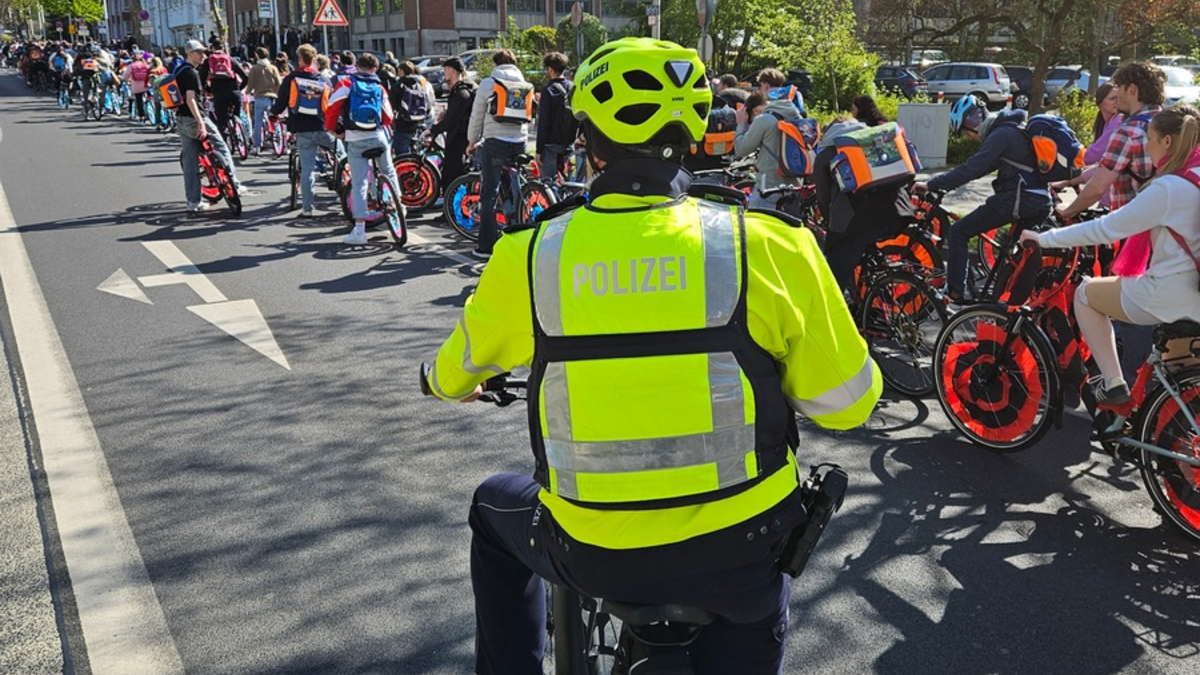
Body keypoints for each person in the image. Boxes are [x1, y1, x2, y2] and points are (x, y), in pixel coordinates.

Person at [423, 36, 881, 675]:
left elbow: (450, 376)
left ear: (586, 139)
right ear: (695, 134)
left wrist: (445, 382)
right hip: (743, 554)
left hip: (589, 548)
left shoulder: (528, 257)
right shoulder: (770, 247)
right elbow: (849, 404)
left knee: (490, 509)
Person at [1019, 105, 1200, 407]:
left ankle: (1114, 383)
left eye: (1150, 139)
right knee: (1182, 387)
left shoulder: (1169, 188)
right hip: (1195, 296)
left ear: (1167, 142)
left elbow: (1106, 229)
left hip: (1169, 293)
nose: (1147, 147)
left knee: (1087, 294)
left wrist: (1043, 239)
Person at [912, 95, 1052, 306]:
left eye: (965, 134)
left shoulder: (1000, 135)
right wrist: (945, 184)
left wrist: (931, 185)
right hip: (1038, 199)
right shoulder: (1010, 130)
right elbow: (979, 170)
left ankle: (955, 294)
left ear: (971, 126)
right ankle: (1006, 296)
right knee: (1013, 250)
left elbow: (972, 168)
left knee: (959, 231)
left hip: (1020, 198)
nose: (969, 139)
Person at [815, 116, 917, 294]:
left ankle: (837, 315)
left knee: (833, 280)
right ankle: (868, 304)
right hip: (898, 213)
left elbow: (823, 198)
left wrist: (830, 223)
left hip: (855, 222)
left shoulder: (827, 153)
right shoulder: (875, 142)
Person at [1057, 62, 1166, 221]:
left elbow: (1097, 187)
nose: (1117, 96)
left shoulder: (1128, 132)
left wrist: (1068, 211)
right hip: (1169, 222)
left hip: (1133, 225)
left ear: (1131, 89)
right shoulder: (1171, 124)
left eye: (1119, 88)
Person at [325, 52, 402, 245]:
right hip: (378, 137)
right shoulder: (379, 87)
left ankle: (359, 231)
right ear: (375, 69)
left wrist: (335, 131)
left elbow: (331, 108)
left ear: (358, 66)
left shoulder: (346, 84)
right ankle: (398, 207)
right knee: (388, 171)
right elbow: (388, 117)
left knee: (359, 183)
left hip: (355, 139)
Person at [466, 49, 531, 260]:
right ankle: (520, 240)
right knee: (515, 191)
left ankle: (486, 247)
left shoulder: (489, 83)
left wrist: (471, 141)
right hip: (519, 142)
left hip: (495, 142)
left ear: (496, 63)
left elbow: (477, 116)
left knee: (490, 193)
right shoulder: (524, 84)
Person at [174, 40, 242, 213]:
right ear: (190, 53)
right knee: (221, 146)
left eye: (204, 52)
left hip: (181, 118)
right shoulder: (191, 73)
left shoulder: (179, 70)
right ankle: (234, 182)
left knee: (190, 161)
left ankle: (193, 202)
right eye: (199, 53)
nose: (203, 56)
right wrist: (201, 122)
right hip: (193, 118)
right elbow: (190, 99)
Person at [271, 44, 336, 217]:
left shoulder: (291, 78)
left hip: (302, 129)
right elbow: (333, 102)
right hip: (322, 127)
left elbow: (281, 103)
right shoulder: (323, 79)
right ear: (314, 60)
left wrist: (274, 114)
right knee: (343, 157)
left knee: (307, 169)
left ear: (299, 59)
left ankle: (307, 208)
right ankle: (345, 191)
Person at [733, 67, 804, 209]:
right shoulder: (796, 116)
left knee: (757, 226)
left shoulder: (763, 120)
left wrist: (741, 125)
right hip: (795, 187)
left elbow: (741, 150)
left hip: (768, 189)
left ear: (756, 111)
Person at [1052, 83, 1123, 209]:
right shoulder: (1109, 123)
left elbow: (1093, 154)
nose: (1117, 102)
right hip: (1111, 196)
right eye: (1112, 99)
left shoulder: (1118, 119)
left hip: (1115, 198)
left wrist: (1064, 167)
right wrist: (1070, 179)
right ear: (1100, 102)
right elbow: (1101, 164)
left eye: (1119, 98)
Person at [430, 56, 475, 189]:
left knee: (454, 179)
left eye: (445, 69)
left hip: (459, 141)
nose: (443, 71)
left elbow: (452, 120)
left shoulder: (461, 93)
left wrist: (434, 130)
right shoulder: (459, 91)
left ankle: (453, 208)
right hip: (456, 140)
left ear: (452, 71)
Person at [535, 51, 577, 180]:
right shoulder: (573, 88)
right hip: (569, 141)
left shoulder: (549, 90)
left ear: (551, 69)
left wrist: (539, 150)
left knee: (548, 183)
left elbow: (543, 122)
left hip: (550, 144)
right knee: (568, 183)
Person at [198, 40, 249, 142]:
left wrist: (208, 89)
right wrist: (239, 89)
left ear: (212, 48)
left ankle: (225, 137)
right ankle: (237, 124)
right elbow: (245, 77)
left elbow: (201, 78)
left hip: (218, 93)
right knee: (236, 113)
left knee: (221, 120)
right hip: (234, 92)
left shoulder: (208, 61)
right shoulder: (231, 60)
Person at [390, 61, 431, 156]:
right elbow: (428, 107)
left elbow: (391, 106)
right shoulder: (420, 86)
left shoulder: (397, 86)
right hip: (418, 125)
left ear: (401, 71)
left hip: (402, 125)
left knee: (402, 157)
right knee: (416, 156)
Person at [246, 47, 282, 154]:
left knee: (258, 122)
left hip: (260, 97)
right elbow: (279, 83)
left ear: (257, 55)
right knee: (274, 119)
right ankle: (279, 141)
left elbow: (250, 85)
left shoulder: (254, 68)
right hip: (272, 97)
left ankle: (257, 146)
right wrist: (275, 92)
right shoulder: (273, 68)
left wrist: (247, 92)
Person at [122, 51, 151, 121]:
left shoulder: (131, 66)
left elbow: (125, 76)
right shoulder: (145, 64)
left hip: (136, 86)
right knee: (149, 96)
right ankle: (151, 106)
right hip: (146, 84)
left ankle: (142, 116)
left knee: (139, 101)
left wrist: (125, 81)